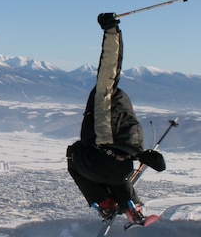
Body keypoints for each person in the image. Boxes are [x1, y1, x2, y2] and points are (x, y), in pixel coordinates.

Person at [66, 12, 165, 225]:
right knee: (118, 172)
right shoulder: (132, 127)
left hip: (94, 166)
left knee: (74, 154)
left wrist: (111, 30)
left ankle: (104, 203)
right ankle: (133, 207)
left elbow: (110, 64)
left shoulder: (103, 99)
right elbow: (140, 156)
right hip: (120, 169)